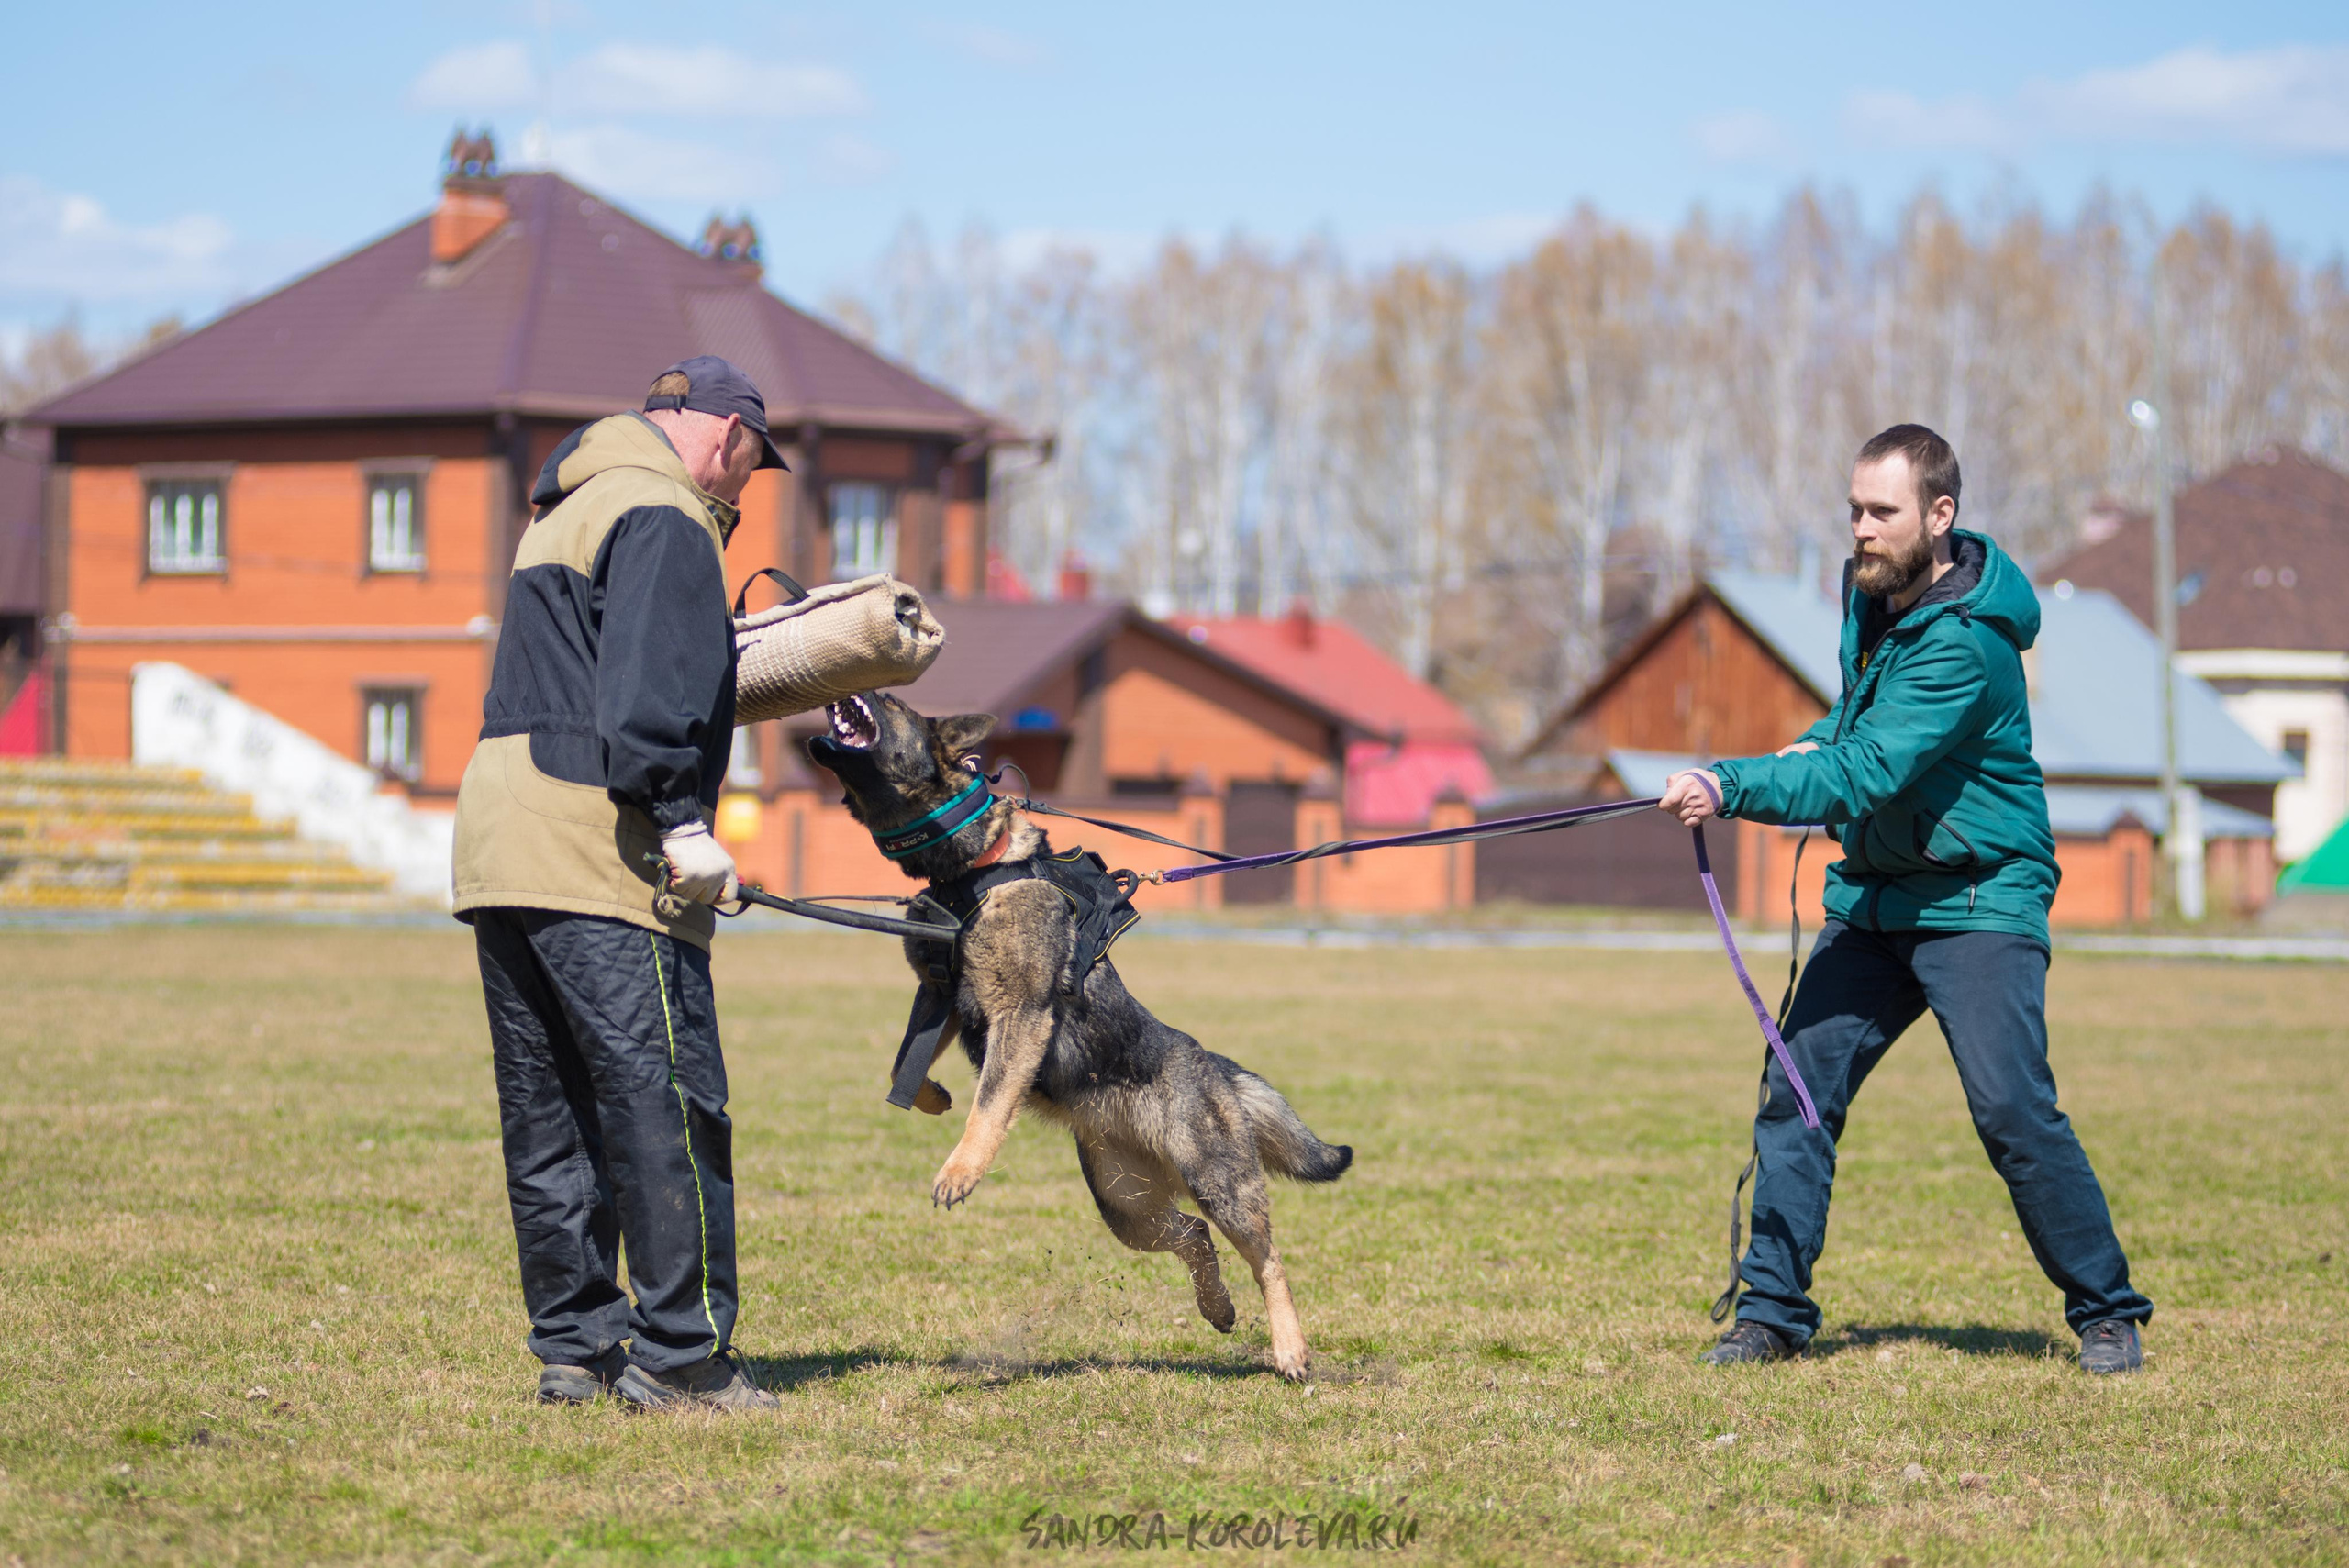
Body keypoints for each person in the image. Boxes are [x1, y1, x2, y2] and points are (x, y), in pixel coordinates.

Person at [1659, 424, 2153, 1375]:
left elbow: (1875, 766)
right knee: (1795, 1088)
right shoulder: (1873, 593)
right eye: (1852, 508)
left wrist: (1732, 783)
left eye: (1880, 511)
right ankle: (1770, 1313)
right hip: (1879, 895)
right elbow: (1856, 722)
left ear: (1938, 515)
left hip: (1979, 900)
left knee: (2011, 1108)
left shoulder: (1968, 644)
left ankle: (2106, 1310)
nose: (1860, 528)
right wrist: (1806, 744)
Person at [451, 356, 787, 1409]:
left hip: (498, 836)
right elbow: (644, 689)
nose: (743, 489)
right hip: (600, 843)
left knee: (548, 1104)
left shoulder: (567, 506)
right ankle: (681, 1352)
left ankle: (577, 1347)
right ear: (728, 434)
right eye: (750, 465)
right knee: (667, 1101)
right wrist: (682, 819)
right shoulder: (666, 514)